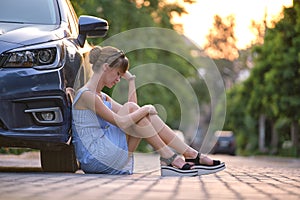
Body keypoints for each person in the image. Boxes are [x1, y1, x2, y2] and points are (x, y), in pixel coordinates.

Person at [72, 46, 225, 176]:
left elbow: (133, 112)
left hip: (108, 155)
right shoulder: (87, 95)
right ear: (106, 67)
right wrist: (147, 108)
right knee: (137, 112)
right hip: (96, 157)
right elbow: (122, 121)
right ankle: (178, 156)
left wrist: (131, 81)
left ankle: (181, 155)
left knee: (136, 113)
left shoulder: (101, 96)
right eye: (118, 73)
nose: (119, 79)